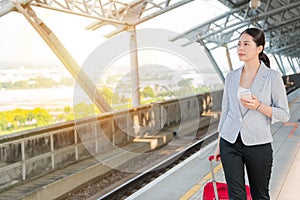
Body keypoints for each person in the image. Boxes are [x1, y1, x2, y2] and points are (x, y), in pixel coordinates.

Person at [214, 27, 290, 200]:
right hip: (230, 143)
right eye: (239, 44)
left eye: (246, 44)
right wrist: (220, 143)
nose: (241, 48)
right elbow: (226, 112)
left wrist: (259, 106)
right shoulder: (231, 77)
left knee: (260, 195)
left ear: (259, 48)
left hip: (258, 144)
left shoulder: (272, 76)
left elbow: (284, 114)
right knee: (236, 196)